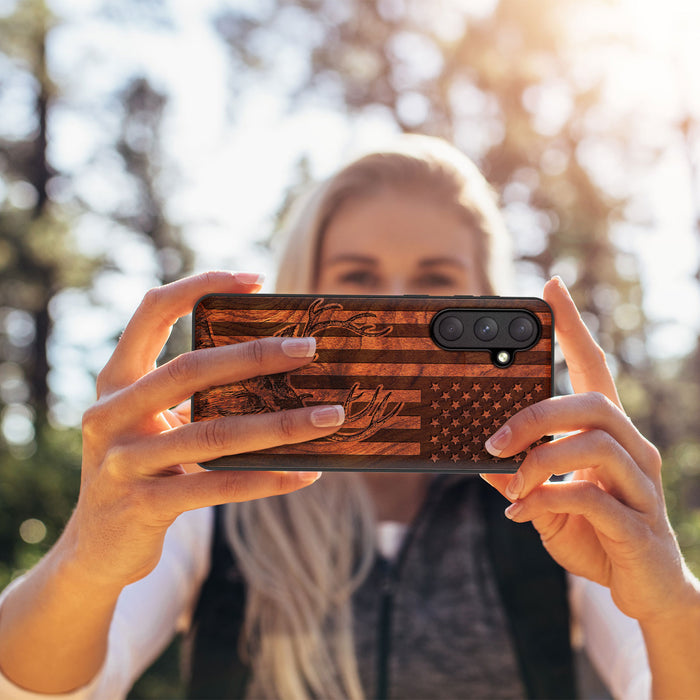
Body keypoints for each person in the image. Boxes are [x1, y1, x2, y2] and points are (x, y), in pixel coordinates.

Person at [0, 135, 699, 700]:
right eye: (358, 278)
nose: (393, 307)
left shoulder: (553, 501)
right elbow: (47, 687)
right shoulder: (211, 495)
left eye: (435, 282)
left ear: (487, 300)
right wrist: (87, 558)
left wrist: (670, 602)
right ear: (303, 292)